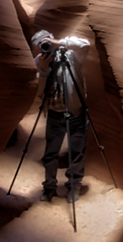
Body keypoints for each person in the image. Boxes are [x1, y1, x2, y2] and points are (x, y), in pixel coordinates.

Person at [31, 29, 90, 204]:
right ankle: (49, 187)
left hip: (76, 113)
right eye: (41, 45)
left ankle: (74, 186)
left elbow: (85, 45)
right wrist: (43, 71)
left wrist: (60, 42)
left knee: (77, 153)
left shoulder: (71, 55)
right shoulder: (40, 61)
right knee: (50, 153)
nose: (46, 47)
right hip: (55, 115)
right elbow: (40, 94)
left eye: (46, 42)